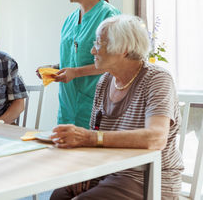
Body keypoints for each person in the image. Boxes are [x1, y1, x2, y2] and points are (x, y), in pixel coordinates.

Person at [50, 14, 184, 200]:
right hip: (110, 170)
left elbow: (156, 138)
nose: (92, 51)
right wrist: (84, 169)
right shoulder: (105, 81)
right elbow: (95, 132)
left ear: (124, 49)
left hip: (147, 177)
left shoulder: (157, 79)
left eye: (99, 44)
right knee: (59, 195)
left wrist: (89, 138)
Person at [36, 0, 120, 129]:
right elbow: (75, 59)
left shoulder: (109, 16)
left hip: (94, 108)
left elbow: (115, 63)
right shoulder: (70, 20)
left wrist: (75, 72)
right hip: (67, 108)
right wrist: (55, 69)